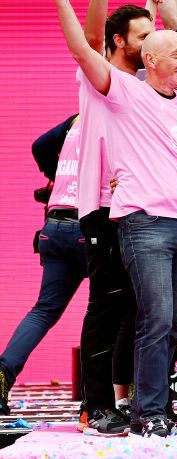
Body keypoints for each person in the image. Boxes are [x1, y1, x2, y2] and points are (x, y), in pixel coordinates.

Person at [53, 0, 177, 438]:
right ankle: (112, 406)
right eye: (173, 53)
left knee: (159, 317)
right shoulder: (121, 91)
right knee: (117, 308)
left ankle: (141, 404)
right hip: (128, 215)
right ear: (138, 53)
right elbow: (86, 43)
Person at [0, 116, 88, 416]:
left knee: (44, 310)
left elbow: (39, 145)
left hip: (55, 226)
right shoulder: (118, 112)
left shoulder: (77, 119)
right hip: (90, 228)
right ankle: (105, 397)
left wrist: (58, 176)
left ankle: (3, 373)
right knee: (111, 312)